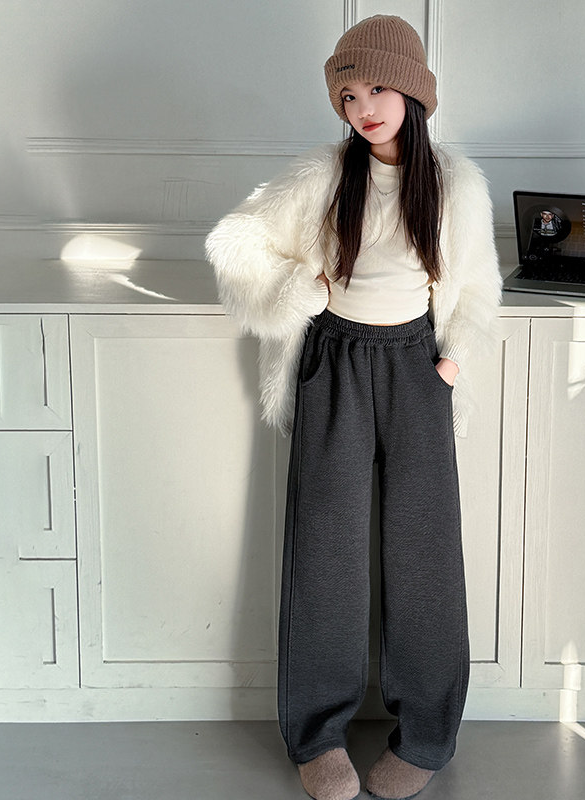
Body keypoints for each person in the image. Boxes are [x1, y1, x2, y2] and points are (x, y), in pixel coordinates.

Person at [205, 15, 502, 800]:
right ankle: (318, 735)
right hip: (334, 363)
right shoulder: (322, 176)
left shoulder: (457, 185)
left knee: (424, 555)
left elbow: (477, 285)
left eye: (376, 88)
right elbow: (235, 244)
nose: (362, 107)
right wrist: (292, 292)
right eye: (347, 95)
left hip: (415, 366)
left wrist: (452, 362)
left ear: (413, 90)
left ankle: (427, 734)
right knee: (326, 552)